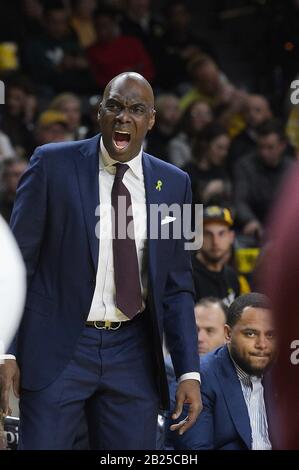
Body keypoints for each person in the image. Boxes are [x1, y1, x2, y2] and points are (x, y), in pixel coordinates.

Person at [0, 72, 202, 450]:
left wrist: (189, 370)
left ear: (152, 120)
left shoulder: (178, 184)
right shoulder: (50, 163)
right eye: (115, 106)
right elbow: (15, 266)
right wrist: (5, 348)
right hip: (59, 347)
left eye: (137, 110)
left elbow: (178, 286)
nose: (124, 117)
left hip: (134, 351)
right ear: (99, 113)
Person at [169, 292, 277, 450]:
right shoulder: (197, 380)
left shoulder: (284, 376)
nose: (262, 344)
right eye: (250, 334)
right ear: (228, 334)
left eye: (270, 335)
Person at [192, 206, 242, 306]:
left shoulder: (232, 276)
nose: (215, 241)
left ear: (231, 237)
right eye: (207, 234)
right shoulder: (186, 279)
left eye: (221, 233)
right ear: (196, 238)